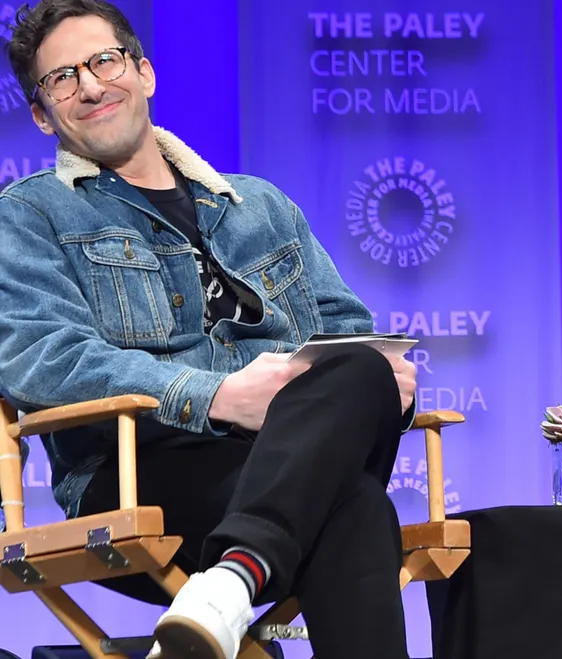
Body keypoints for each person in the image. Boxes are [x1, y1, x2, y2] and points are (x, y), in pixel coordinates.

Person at [0, 1, 418, 658]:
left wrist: (389, 379)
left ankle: (230, 578)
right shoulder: (29, 214)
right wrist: (216, 395)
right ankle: (239, 571)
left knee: (365, 366)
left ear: (144, 72)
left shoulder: (261, 205)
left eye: (104, 61)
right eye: (61, 78)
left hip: (287, 452)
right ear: (41, 112)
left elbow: (347, 330)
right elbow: (43, 359)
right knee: (357, 506)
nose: (89, 85)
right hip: (143, 466)